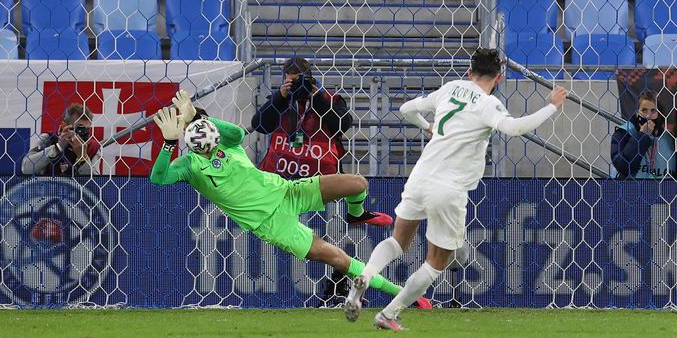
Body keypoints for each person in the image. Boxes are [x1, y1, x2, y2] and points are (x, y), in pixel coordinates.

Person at [343, 48, 569, 330]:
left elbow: (405, 109)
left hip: (420, 176)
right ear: (498, 78)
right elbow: (514, 129)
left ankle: (365, 276)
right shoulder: (489, 104)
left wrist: (429, 127)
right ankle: (388, 314)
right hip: (448, 188)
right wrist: (552, 106)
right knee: (437, 262)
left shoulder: (451, 88)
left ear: (469, 73)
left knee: (397, 242)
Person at [150, 90, 430, 307]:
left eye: (201, 128)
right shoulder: (188, 167)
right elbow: (158, 178)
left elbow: (236, 132)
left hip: (287, 191)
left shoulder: (229, 143)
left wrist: (200, 119)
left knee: (357, 183)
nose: (201, 135)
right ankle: (405, 295)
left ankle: (355, 213)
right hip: (273, 224)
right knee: (339, 259)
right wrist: (168, 144)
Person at [252, 57, 390, 306]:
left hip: (322, 179)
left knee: (334, 233)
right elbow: (259, 125)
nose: (296, 87)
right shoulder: (282, 100)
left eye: (298, 82)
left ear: (310, 79)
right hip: (283, 179)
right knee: (299, 237)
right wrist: (280, 97)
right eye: (289, 82)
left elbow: (343, 125)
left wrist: (315, 97)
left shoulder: (329, 97)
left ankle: (338, 286)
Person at [21, 102, 100, 176]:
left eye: (87, 129)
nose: (83, 133)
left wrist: (83, 158)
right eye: (80, 128)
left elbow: (96, 183)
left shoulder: (93, 147)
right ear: (65, 126)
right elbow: (26, 168)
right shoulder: (48, 139)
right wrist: (57, 147)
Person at [611, 90, 675, 179]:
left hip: (662, 190)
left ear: (659, 113)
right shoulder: (624, 132)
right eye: (644, 110)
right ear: (637, 112)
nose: (648, 115)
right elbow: (622, 166)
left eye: (653, 111)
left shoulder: (669, 137)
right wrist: (641, 136)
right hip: (629, 189)